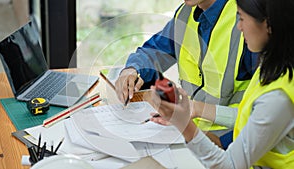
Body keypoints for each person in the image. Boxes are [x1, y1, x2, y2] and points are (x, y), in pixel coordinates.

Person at [150, 0, 294, 168]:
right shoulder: (273, 68)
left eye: (241, 18)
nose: (239, 27)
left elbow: (228, 165)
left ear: (268, 24)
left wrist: (184, 125)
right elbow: (252, 117)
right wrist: (194, 109)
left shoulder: (279, 95)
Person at [115, 0, 257, 149]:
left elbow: (268, 114)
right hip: (186, 134)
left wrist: (196, 113)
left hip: (233, 142)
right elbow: (153, 52)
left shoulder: (247, 20)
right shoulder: (185, 14)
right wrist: (131, 70)